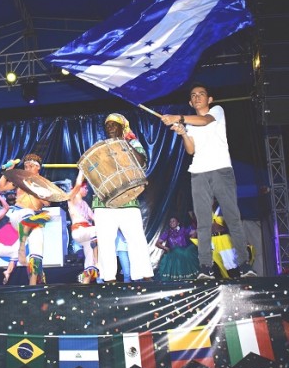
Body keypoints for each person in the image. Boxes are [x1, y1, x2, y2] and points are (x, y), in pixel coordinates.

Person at [161, 83, 257, 279]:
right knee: (202, 222)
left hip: (221, 170)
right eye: (193, 95)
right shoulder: (190, 123)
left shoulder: (216, 111)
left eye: (201, 94)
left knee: (232, 218)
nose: (197, 97)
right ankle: (206, 268)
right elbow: (191, 150)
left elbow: (205, 121)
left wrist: (178, 117)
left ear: (209, 99)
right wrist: (184, 133)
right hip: (198, 173)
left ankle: (245, 265)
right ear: (190, 101)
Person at [92, 113, 154, 282]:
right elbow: (91, 170)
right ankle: (109, 278)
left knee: (137, 239)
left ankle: (145, 276)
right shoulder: (100, 146)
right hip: (103, 201)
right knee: (105, 242)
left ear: (122, 127)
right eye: (107, 126)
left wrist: (124, 144)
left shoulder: (133, 143)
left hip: (128, 198)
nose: (109, 127)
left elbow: (141, 163)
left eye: (113, 124)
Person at [0, 154, 51, 285]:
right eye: (26, 166)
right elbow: (0, 188)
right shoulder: (20, 181)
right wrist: (7, 172)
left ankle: (33, 284)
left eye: (30, 166)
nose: (27, 168)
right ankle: (21, 246)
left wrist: (34, 190)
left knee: (37, 246)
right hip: (19, 214)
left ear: (38, 168)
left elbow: (47, 203)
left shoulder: (43, 184)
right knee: (31, 215)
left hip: (32, 219)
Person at [67, 172, 99, 284]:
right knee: (97, 230)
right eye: (85, 188)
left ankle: (85, 284)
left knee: (89, 263)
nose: (87, 190)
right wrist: (81, 171)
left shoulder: (85, 203)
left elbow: (94, 217)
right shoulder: (72, 198)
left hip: (88, 235)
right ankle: (98, 261)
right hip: (79, 231)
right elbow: (77, 184)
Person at [155, 216, 199, 281]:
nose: (171, 223)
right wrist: (165, 248)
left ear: (178, 223)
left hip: (184, 252)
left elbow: (195, 231)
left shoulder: (183, 230)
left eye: (173, 221)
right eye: (170, 221)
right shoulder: (167, 232)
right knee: (176, 251)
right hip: (173, 253)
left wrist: (192, 238)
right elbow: (157, 243)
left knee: (187, 252)